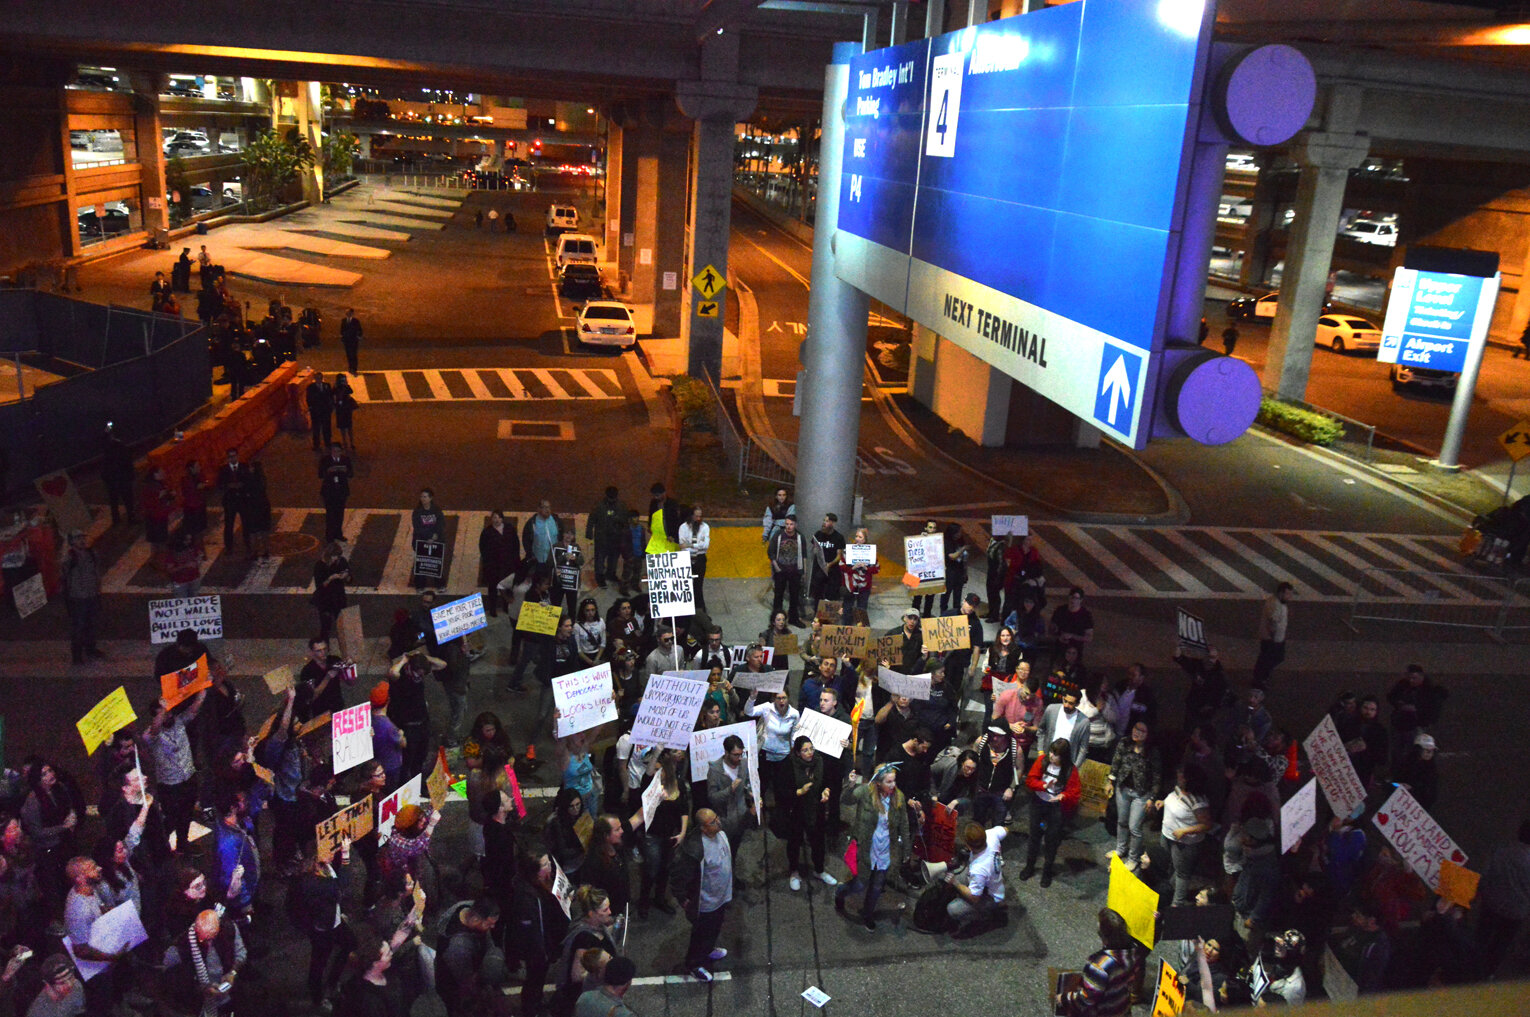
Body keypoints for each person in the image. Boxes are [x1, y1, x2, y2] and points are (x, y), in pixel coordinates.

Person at [672, 809, 732, 982]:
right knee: (700, 933)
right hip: (705, 902)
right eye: (712, 822)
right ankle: (694, 963)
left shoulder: (721, 832)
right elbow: (678, 877)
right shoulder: (694, 849)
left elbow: (736, 824)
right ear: (703, 829)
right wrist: (683, 899)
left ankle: (708, 949)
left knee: (714, 927)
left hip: (720, 896)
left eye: (717, 818)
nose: (718, 822)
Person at [508, 850, 569, 1017]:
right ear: (533, 871)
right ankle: (530, 1008)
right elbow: (532, 932)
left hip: (547, 941)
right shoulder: (526, 898)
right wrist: (543, 952)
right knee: (534, 978)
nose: (549, 866)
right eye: (544, 865)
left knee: (538, 979)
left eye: (549, 862)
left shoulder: (543, 883)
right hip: (538, 950)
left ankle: (536, 1000)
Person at [1022, 738, 1081, 887]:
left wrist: (1064, 795)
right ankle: (1030, 866)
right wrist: (1043, 785)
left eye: (1056, 754)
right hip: (1038, 803)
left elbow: (1075, 792)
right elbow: (1030, 780)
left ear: (1064, 756)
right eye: (1051, 752)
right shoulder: (1042, 760)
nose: (1052, 756)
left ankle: (1047, 870)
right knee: (1034, 836)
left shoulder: (1070, 770)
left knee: (1051, 841)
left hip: (1055, 808)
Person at [1057, 908, 1138, 1017]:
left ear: (1104, 937)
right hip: (1122, 1009)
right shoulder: (1133, 954)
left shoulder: (1099, 966)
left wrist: (1064, 998)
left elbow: (1087, 999)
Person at [1476, 816, 1530, 978]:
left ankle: (1471, 965)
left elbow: (1485, 875)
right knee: (1501, 943)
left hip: (1492, 903)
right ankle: (1488, 973)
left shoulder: (1501, 851)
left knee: (1482, 936)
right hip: (1516, 912)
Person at [551, 886, 619, 1013]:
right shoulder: (584, 939)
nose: (610, 912)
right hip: (582, 998)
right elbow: (577, 976)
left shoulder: (597, 927)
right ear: (591, 913)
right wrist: (605, 970)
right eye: (605, 910)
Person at [1155, 764, 1214, 906]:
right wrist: (1163, 802)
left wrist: (1184, 831)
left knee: (1182, 873)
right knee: (1175, 866)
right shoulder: (1178, 789)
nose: (1178, 774)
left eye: (1182, 774)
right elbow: (1175, 801)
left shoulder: (1198, 801)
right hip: (1168, 836)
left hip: (1183, 843)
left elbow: (1207, 825)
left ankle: (1177, 904)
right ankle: (1169, 889)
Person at [1107, 721, 1160, 873]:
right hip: (1123, 788)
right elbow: (1116, 763)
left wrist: (1152, 797)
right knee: (1122, 821)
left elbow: (1157, 776)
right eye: (1136, 728)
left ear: (1148, 735)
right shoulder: (1124, 743)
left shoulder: (1152, 752)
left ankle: (1133, 858)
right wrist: (1111, 781)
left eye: (1142, 731)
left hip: (1142, 794)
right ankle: (1120, 849)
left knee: (1134, 827)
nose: (1137, 732)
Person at [435, 898, 502, 1016]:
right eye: (489, 923)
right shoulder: (458, 947)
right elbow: (466, 981)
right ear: (475, 920)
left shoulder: (466, 907)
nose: (493, 927)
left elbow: (488, 941)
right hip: (454, 988)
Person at [945, 821, 1007, 937]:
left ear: (968, 846)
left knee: (952, 909)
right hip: (995, 882)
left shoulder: (979, 869)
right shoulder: (991, 835)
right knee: (962, 876)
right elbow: (1005, 830)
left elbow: (974, 898)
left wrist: (956, 883)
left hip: (990, 896)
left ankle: (985, 915)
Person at [705, 736, 753, 878]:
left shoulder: (744, 764)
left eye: (741, 754)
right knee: (723, 853)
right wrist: (729, 790)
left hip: (741, 816)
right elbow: (712, 797)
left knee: (735, 848)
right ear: (726, 752)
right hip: (724, 820)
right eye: (735, 755)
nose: (739, 758)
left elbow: (747, 783)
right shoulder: (715, 770)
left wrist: (751, 793)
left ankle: (732, 877)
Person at [61, 530, 104, 664]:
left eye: (82, 537)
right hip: (78, 597)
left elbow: (96, 571)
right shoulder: (70, 557)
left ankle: (90, 648)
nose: (82, 541)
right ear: (72, 542)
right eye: (78, 538)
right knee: (79, 626)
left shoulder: (91, 554)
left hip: (91, 594)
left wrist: (97, 589)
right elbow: (63, 570)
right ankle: (77, 655)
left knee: (91, 623)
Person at [767, 515, 808, 627]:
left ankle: (793, 618)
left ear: (795, 525)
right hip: (781, 571)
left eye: (791, 524)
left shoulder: (800, 537)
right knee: (778, 596)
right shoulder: (778, 535)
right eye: (787, 524)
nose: (789, 527)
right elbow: (771, 553)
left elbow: (804, 555)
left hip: (795, 571)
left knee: (794, 596)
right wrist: (777, 568)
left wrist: (804, 571)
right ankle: (775, 620)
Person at [586, 487, 629, 591]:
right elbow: (591, 519)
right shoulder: (599, 505)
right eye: (610, 498)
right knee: (600, 558)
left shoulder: (621, 506)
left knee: (614, 557)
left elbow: (625, 521)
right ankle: (599, 576)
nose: (612, 500)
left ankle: (611, 573)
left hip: (616, 537)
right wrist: (589, 533)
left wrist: (625, 534)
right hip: (602, 537)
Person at [1252, 581, 1294, 687]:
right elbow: (1272, 621)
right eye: (1288, 594)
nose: (1290, 596)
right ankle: (1260, 679)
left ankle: (1261, 676)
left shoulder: (1278, 603)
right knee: (1270, 658)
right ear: (1281, 593)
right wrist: (1273, 636)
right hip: (1271, 639)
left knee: (1271, 658)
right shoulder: (1275, 604)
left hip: (1275, 638)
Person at [1037, 689, 1090, 770]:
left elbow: (1083, 748)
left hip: (1067, 764)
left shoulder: (1084, 722)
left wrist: (1075, 767)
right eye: (1065, 701)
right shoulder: (1051, 710)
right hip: (1047, 758)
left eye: (1071, 703)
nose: (1066, 705)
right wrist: (1040, 752)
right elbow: (1041, 731)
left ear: (1077, 704)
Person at [480, 511, 520, 618]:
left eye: (498, 518)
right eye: (494, 518)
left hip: (507, 564)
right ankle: (492, 608)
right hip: (493, 566)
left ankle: (506, 606)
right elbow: (483, 548)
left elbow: (516, 545)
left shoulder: (509, 529)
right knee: (492, 587)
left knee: (507, 587)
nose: (496, 520)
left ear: (502, 519)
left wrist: (516, 560)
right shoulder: (487, 532)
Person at [838, 525, 879, 625]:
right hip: (850, 585)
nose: (857, 538)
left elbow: (876, 569)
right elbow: (841, 566)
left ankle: (861, 631)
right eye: (856, 536)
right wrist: (853, 568)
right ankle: (846, 628)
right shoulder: (848, 550)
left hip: (864, 586)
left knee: (862, 609)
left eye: (860, 537)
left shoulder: (871, 552)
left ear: (865, 539)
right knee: (847, 607)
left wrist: (866, 568)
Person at [312, 540, 351, 641]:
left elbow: (350, 578)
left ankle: (345, 648)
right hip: (325, 600)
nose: (337, 558)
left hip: (339, 598)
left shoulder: (341, 561)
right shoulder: (320, 566)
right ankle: (325, 647)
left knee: (342, 625)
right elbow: (320, 586)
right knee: (326, 627)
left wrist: (346, 576)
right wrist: (330, 578)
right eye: (335, 556)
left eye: (338, 556)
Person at [678, 505, 711, 617]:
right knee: (686, 585)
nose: (698, 519)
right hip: (686, 558)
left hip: (700, 559)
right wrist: (697, 545)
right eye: (696, 516)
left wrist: (690, 544)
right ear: (691, 516)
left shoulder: (705, 527)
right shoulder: (683, 527)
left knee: (698, 585)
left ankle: (700, 610)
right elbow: (682, 546)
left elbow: (705, 546)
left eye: (700, 516)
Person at [216, 448, 249, 554]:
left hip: (243, 500)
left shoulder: (244, 467)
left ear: (237, 456)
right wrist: (228, 486)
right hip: (230, 501)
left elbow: (249, 481)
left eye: (234, 456)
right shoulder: (223, 470)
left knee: (246, 523)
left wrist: (242, 486)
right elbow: (219, 485)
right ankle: (229, 547)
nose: (232, 458)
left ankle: (248, 544)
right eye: (230, 456)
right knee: (229, 524)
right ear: (227, 458)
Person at [1050, 588, 1095, 665]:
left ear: (1081, 600)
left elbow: (1089, 637)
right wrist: (1058, 636)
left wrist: (1072, 636)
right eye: (1072, 597)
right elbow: (1051, 629)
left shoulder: (1086, 615)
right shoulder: (1060, 611)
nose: (1073, 601)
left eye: (1076, 598)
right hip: (1060, 648)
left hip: (1076, 650)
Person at [306, 372, 335, 451]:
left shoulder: (327, 385)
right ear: (315, 379)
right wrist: (311, 407)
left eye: (320, 378)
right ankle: (316, 444)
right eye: (317, 378)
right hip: (316, 411)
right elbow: (309, 399)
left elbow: (330, 396)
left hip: (325, 411)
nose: (319, 380)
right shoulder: (310, 387)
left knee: (327, 428)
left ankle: (328, 443)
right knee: (316, 429)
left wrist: (331, 407)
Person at [333, 374, 358, 451]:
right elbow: (333, 394)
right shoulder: (336, 388)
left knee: (348, 427)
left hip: (345, 409)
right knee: (343, 427)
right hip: (342, 409)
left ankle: (351, 443)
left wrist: (346, 385)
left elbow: (351, 391)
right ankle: (346, 443)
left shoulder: (345, 387)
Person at [340, 307, 363, 375]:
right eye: (346, 313)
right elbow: (342, 329)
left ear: (352, 313)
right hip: (346, 340)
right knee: (348, 355)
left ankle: (354, 368)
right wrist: (342, 336)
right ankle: (350, 367)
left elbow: (359, 329)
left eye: (348, 312)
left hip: (353, 340)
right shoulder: (343, 320)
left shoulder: (356, 321)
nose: (347, 314)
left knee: (353, 354)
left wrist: (359, 336)